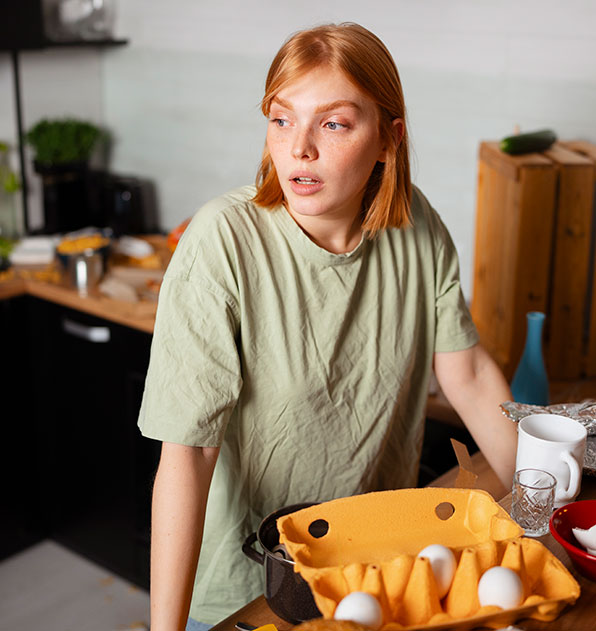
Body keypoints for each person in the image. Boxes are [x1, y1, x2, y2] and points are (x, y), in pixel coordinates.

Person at [138, 22, 517, 631]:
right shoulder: (223, 242)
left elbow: (467, 373)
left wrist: (546, 512)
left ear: (389, 139)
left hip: (378, 571)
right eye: (282, 119)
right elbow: (189, 454)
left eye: (334, 123)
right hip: (253, 590)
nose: (299, 149)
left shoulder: (417, 226)